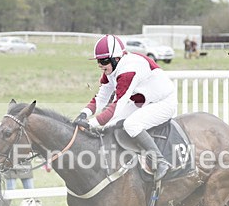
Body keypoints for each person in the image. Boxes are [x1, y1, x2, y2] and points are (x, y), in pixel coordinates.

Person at [74, 34, 177, 182]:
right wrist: (83, 114)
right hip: (142, 102)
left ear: (116, 59)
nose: (100, 65)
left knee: (131, 124)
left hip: (164, 102)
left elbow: (116, 106)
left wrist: (91, 124)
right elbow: (101, 98)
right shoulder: (111, 70)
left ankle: (160, 161)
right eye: (98, 61)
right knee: (109, 125)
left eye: (103, 61)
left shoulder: (129, 70)